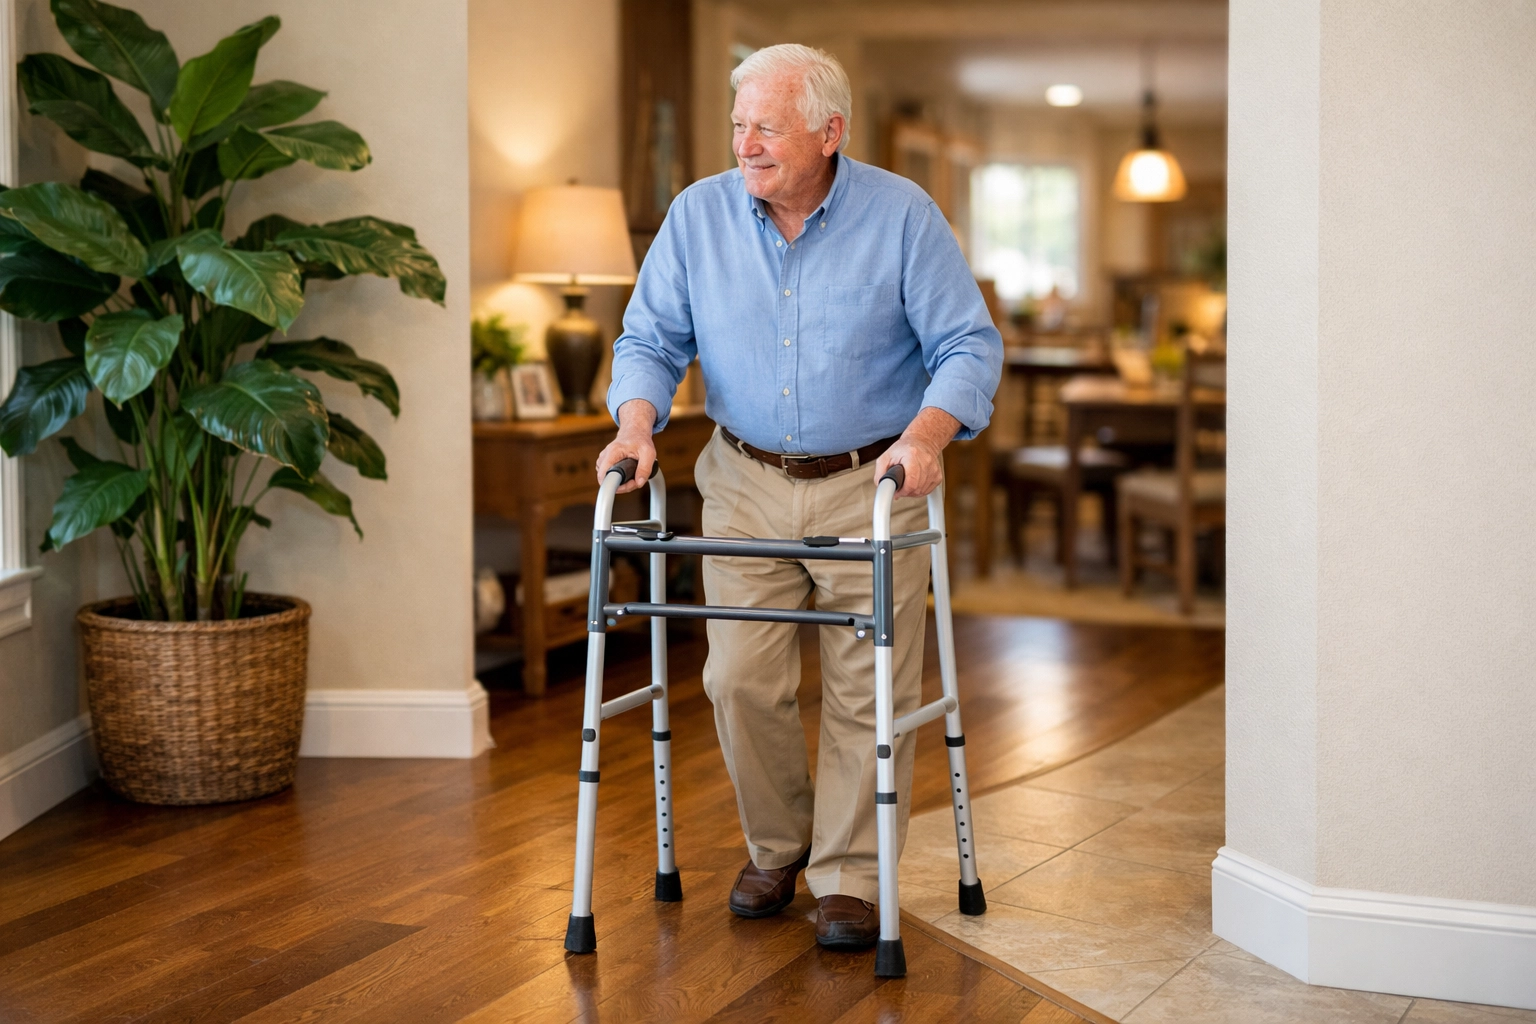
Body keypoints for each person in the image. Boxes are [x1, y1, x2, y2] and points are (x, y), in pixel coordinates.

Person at [597, 43, 1002, 951]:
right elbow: (650, 338)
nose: (746, 144)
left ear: (830, 132)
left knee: (865, 686)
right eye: (738, 125)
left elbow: (968, 346)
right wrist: (636, 424)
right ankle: (779, 847)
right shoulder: (697, 216)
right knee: (737, 678)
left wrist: (926, 437)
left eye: (768, 128)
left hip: (871, 479)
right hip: (743, 480)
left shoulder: (902, 215)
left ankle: (850, 875)